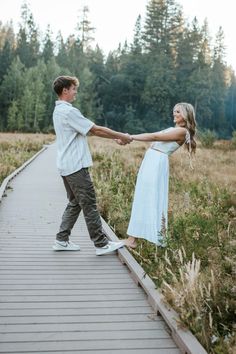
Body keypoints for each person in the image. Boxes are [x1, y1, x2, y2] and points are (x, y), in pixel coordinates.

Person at [52, 75, 132, 255]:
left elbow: (90, 131)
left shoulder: (58, 111)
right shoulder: (68, 112)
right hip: (75, 166)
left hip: (65, 165)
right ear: (65, 90)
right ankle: (101, 244)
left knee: (75, 203)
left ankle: (61, 240)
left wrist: (116, 137)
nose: (75, 93)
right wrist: (121, 136)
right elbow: (95, 129)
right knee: (89, 204)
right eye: (73, 89)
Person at [125, 102, 197, 248]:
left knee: (148, 198)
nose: (174, 114)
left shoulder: (182, 132)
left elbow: (155, 136)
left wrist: (130, 137)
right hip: (151, 161)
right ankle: (132, 239)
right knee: (142, 197)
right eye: (174, 111)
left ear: (186, 115)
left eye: (178, 112)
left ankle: (144, 239)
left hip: (156, 163)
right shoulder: (175, 129)